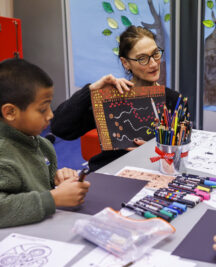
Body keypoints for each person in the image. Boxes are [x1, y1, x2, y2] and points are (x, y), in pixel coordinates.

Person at [50, 26, 180, 171]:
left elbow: (181, 155)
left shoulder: (173, 100)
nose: (154, 63)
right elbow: (60, 128)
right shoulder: (113, 97)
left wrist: (156, 150)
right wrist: (90, 90)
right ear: (125, 63)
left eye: (156, 54)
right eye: (142, 58)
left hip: (155, 174)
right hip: (110, 173)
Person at [0, 58, 90, 228]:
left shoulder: (42, 145)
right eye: (42, 109)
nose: (50, 115)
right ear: (10, 112)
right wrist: (53, 198)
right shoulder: (3, 153)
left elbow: (36, 185)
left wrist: (57, 180)